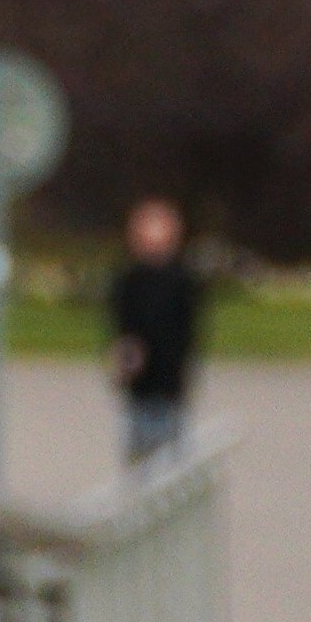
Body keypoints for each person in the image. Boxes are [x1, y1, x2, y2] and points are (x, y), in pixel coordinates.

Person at [105, 193, 205, 470]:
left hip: (169, 382)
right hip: (140, 385)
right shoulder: (129, 280)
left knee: (171, 452)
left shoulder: (182, 280)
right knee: (139, 449)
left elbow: (188, 331)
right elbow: (122, 328)